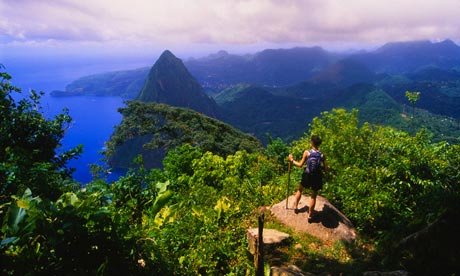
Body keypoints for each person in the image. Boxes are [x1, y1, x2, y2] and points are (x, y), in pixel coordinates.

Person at [288, 135, 328, 223]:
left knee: (300, 189)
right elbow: (325, 169)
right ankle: (310, 215)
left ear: (312, 142)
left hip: (307, 175)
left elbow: (300, 165)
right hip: (317, 177)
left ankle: (295, 207)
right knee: (313, 196)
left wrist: (291, 160)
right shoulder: (322, 155)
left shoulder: (307, 152)